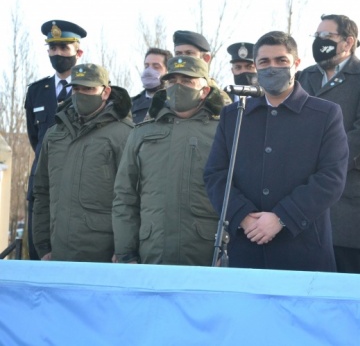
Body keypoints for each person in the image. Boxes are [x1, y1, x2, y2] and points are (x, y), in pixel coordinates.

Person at [204, 31, 349, 272]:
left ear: (297, 64)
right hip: (246, 246)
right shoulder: (234, 114)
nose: (273, 68)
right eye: (264, 62)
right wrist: (244, 216)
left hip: (303, 251)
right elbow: (215, 175)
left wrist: (282, 217)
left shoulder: (325, 115)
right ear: (256, 67)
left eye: (281, 61)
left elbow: (331, 178)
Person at [297, 14, 360, 274]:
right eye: (316, 37)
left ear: (348, 42)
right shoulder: (304, 77)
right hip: (304, 190)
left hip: (347, 193)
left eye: (327, 37)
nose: (320, 42)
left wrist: (327, 165)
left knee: (347, 271)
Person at [112, 56, 224, 265]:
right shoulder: (141, 134)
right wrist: (126, 253)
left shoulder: (223, 131)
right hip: (152, 253)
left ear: (206, 90)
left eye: (188, 81)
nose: (178, 86)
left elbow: (237, 193)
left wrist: (229, 251)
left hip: (206, 255)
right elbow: (125, 197)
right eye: (172, 81)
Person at [32, 64, 133, 262]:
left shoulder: (125, 134)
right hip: (58, 254)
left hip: (104, 258)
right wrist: (43, 246)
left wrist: (125, 250)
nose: (81, 94)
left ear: (105, 92)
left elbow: (132, 198)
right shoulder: (54, 135)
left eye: (89, 89)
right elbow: (42, 192)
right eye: (76, 89)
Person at [24, 19, 86, 260]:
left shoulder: (90, 88)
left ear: (78, 52)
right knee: (39, 249)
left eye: (63, 48)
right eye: (52, 48)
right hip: (42, 179)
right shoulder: (37, 91)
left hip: (77, 179)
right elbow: (36, 137)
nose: (57, 53)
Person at [173, 30, 231, 105]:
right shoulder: (169, 90)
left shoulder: (218, 97)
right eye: (178, 54)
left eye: (189, 53)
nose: (182, 58)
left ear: (206, 58)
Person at [131, 47, 172, 123]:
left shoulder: (174, 103)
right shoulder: (130, 104)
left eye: (156, 67)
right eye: (146, 66)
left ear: (168, 71)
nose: (148, 71)